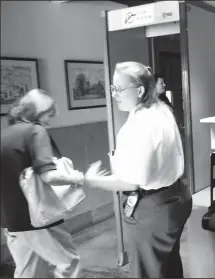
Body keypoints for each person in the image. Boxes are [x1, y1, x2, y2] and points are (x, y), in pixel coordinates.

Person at [82, 62, 192, 278]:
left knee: (146, 271)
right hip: (174, 198)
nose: (114, 95)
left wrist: (91, 180)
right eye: (112, 89)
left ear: (140, 90)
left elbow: (132, 181)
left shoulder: (143, 123)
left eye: (119, 89)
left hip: (153, 207)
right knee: (166, 268)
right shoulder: (160, 110)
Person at [0, 89, 86, 278]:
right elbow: (49, 177)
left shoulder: (5, 134)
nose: (51, 119)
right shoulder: (35, 131)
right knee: (68, 262)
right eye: (49, 114)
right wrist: (79, 178)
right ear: (37, 113)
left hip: (11, 219)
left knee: (29, 271)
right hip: (37, 216)